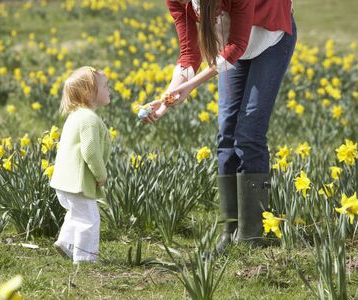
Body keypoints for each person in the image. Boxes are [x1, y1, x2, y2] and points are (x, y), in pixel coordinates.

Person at [144, 0, 296, 251]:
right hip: (232, 47)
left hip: (270, 37)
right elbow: (188, 54)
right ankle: (230, 230)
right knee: (226, 132)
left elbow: (237, 47)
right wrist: (167, 97)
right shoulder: (177, 0)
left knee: (249, 133)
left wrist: (190, 86)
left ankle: (251, 236)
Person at [50, 66, 112, 263]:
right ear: (88, 92)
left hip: (64, 182)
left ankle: (66, 243)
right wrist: (100, 175)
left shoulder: (75, 116)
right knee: (89, 220)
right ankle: (85, 259)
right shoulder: (89, 119)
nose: (109, 89)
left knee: (76, 214)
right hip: (78, 183)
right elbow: (91, 151)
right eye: (105, 85)